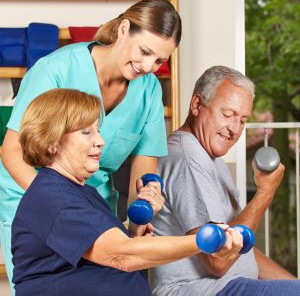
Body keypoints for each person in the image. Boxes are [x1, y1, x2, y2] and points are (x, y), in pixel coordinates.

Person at [0, 0, 181, 289]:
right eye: (145, 52)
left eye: (159, 60)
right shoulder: (56, 69)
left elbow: (143, 174)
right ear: (124, 29)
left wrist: (142, 210)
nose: (148, 66)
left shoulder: (148, 91)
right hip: (34, 202)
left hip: (94, 210)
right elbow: (11, 151)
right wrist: (54, 208)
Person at [11, 88, 243, 296]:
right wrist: (204, 241)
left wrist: (135, 229)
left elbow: (107, 253)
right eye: (86, 132)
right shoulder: (51, 197)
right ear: (52, 142)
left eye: (98, 130)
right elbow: (122, 256)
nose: (100, 141)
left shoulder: (82, 192)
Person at [149, 66, 300, 296]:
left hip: (230, 286)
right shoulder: (188, 159)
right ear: (197, 105)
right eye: (227, 115)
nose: (234, 130)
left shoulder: (210, 155)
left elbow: (242, 249)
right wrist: (265, 194)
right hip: (201, 290)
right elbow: (218, 260)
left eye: (242, 120)